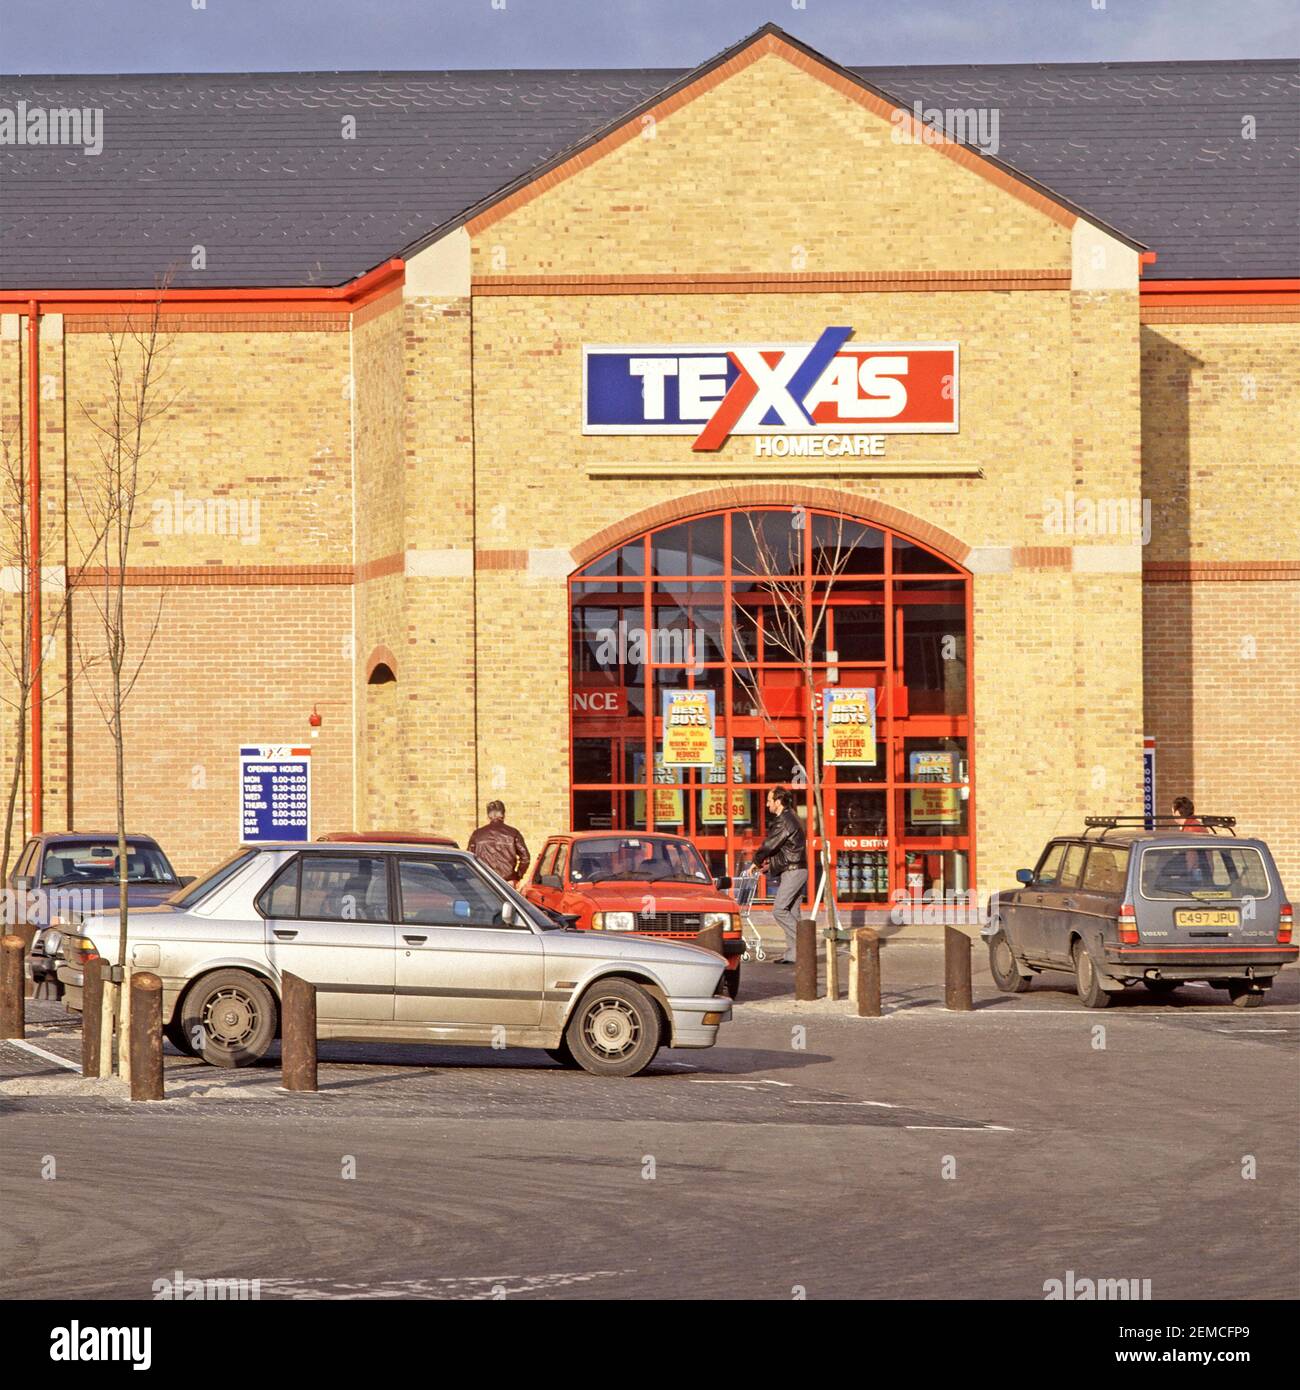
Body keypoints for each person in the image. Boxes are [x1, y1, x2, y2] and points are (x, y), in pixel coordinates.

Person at [751, 786, 807, 964]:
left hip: (793, 871)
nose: (767, 805)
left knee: (779, 910)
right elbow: (787, 849)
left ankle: (805, 943)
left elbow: (770, 845)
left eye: (769, 800)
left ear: (778, 802)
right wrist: (770, 865)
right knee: (793, 912)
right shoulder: (791, 817)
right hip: (794, 869)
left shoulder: (784, 820)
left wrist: (757, 860)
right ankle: (795, 955)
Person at [468, 801, 531, 884]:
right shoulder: (513, 832)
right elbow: (525, 858)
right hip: (508, 881)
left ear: (488, 816)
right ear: (503, 815)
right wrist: (517, 876)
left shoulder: (478, 834)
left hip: (484, 880)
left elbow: (470, 857)